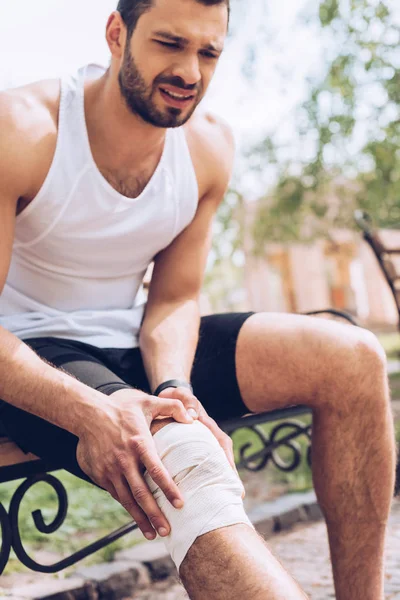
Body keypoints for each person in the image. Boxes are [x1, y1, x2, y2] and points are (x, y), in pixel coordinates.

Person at [0, 0, 395, 598]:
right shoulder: (25, 128)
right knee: (185, 456)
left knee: (354, 357)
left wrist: (174, 388)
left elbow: (174, 301)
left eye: (209, 52)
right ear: (116, 34)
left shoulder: (207, 147)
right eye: (170, 43)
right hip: (32, 349)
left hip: (131, 338)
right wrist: (90, 412)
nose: (190, 71)